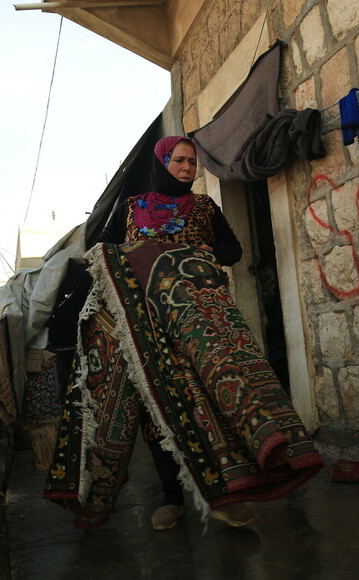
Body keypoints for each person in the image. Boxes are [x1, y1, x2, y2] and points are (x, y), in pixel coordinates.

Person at [99, 136, 254, 530]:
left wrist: (202, 249)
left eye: (192, 162)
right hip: (148, 323)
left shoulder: (204, 206)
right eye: (179, 161)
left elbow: (233, 251)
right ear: (161, 162)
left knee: (212, 398)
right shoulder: (130, 209)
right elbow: (104, 257)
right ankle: (172, 497)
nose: (188, 168)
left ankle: (223, 493)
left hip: (202, 322)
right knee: (159, 407)